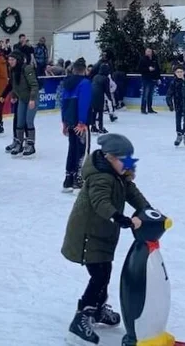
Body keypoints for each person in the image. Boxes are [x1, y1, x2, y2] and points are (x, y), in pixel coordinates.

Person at [60, 133, 150, 344]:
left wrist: (147, 210)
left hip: (101, 235)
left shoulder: (118, 174)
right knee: (99, 276)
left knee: (104, 272)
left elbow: (132, 192)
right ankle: (81, 319)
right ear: (110, 157)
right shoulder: (101, 177)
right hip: (87, 236)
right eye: (124, 160)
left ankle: (98, 309)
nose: (128, 164)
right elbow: (100, 202)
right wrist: (120, 218)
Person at [60, 59, 92, 192]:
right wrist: (82, 122)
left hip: (70, 121)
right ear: (84, 70)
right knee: (82, 150)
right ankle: (78, 179)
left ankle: (68, 178)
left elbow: (63, 103)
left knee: (72, 149)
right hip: (80, 123)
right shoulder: (85, 83)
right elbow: (84, 103)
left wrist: (64, 122)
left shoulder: (67, 83)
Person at [6, 49, 40, 157]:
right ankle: (19, 143)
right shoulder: (12, 70)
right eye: (9, 60)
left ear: (17, 60)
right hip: (22, 99)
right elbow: (14, 85)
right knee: (19, 121)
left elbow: (34, 85)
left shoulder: (27, 68)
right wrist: (14, 96)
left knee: (29, 121)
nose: (10, 62)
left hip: (31, 98)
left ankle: (31, 144)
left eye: (12, 60)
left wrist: (32, 99)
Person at [167, 63, 185, 147]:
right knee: (178, 121)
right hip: (178, 105)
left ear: (184, 72)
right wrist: (170, 104)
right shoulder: (174, 82)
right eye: (178, 72)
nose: (179, 73)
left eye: (181, 72)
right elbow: (169, 94)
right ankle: (179, 135)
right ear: (175, 73)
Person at [90, 63, 114, 134]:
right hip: (99, 96)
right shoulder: (106, 78)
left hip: (92, 95)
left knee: (94, 112)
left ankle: (93, 127)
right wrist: (110, 99)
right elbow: (107, 91)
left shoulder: (95, 76)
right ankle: (100, 127)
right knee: (100, 112)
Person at [137, 48, 160, 114]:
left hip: (153, 79)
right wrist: (148, 69)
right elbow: (139, 69)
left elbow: (158, 69)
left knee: (150, 95)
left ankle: (150, 108)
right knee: (145, 94)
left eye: (149, 51)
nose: (148, 52)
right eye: (147, 51)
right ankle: (143, 109)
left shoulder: (154, 59)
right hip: (146, 79)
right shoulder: (143, 59)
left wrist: (158, 78)